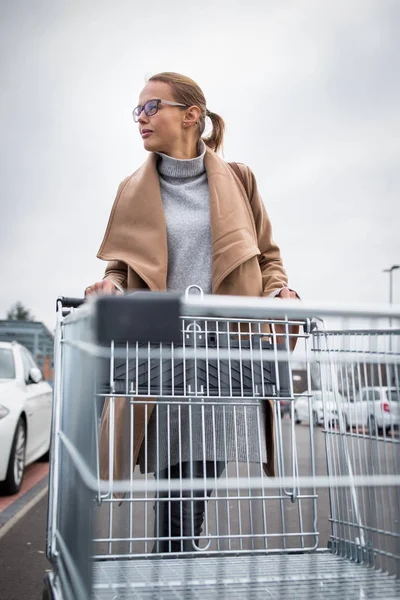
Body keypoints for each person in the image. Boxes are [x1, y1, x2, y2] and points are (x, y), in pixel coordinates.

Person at [86, 72, 298, 553]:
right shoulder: (131, 189)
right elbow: (121, 268)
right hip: (159, 349)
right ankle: (177, 558)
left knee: (195, 470)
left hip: (225, 351)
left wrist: (280, 292)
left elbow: (268, 258)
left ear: (191, 115)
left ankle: (174, 557)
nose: (141, 118)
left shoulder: (239, 180)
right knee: (172, 469)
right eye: (137, 110)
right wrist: (110, 286)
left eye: (151, 106)